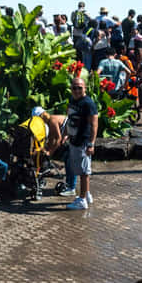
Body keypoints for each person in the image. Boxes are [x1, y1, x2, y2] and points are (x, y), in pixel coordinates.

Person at [64, 75, 99, 211]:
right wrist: (66, 134)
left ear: (85, 88)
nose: (77, 90)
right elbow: (69, 117)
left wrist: (91, 143)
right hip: (74, 139)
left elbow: (94, 124)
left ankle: (82, 200)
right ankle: (87, 194)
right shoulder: (72, 100)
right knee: (82, 170)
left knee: (84, 172)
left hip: (83, 141)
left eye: (79, 88)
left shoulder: (88, 103)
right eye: (74, 88)